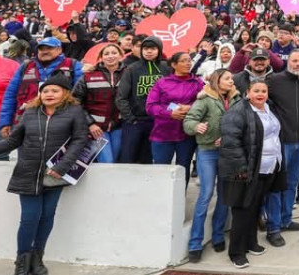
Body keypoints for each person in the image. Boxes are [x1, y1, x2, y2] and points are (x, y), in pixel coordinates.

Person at [0, 74, 88, 275]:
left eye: (54, 91)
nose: (49, 94)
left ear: (65, 93)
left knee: (47, 217)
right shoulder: (30, 113)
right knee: (29, 219)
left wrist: (61, 167)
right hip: (27, 173)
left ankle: (37, 259)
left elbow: (80, 140)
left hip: (55, 175)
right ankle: (21, 264)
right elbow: (11, 142)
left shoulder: (75, 113)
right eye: (45, 91)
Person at [219, 79, 286, 269]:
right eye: (256, 90)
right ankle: (236, 252)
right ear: (247, 92)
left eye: (264, 90)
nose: (260, 94)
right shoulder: (238, 111)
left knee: (255, 207)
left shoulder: (268, 109)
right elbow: (231, 142)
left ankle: (250, 243)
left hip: (267, 167)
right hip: (246, 170)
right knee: (242, 210)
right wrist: (241, 168)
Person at [183, 69, 239, 262]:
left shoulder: (236, 99)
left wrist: (228, 138)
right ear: (217, 81)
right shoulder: (205, 98)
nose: (231, 81)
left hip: (227, 153)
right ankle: (195, 243)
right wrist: (196, 127)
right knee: (206, 194)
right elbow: (189, 120)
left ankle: (217, 235)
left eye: (231, 78)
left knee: (224, 195)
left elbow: (241, 124)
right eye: (227, 78)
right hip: (207, 152)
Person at [262, 49, 299, 246]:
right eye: (295, 60)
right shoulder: (274, 80)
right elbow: (258, 96)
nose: (298, 64)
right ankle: (273, 227)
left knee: (292, 183)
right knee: (276, 186)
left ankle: (286, 219)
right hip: (281, 142)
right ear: (288, 62)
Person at [0, 36, 84, 136]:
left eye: (49, 48)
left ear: (59, 49)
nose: (45, 51)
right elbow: (10, 95)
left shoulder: (73, 65)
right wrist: (5, 122)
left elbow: (81, 96)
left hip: (62, 123)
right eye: (41, 49)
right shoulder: (26, 66)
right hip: (27, 123)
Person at [146, 51, 204, 177]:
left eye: (189, 60)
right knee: (161, 171)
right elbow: (150, 106)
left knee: (183, 169)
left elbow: (206, 103)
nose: (188, 63)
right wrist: (169, 113)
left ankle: (180, 196)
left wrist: (190, 108)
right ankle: (161, 196)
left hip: (186, 134)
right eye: (183, 61)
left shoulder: (198, 83)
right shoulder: (162, 83)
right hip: (163, 133)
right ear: (174, 64)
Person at [115, 36, 169, 164]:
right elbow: (121, 97)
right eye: (145, 48)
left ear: (159, 50)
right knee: (128, 158)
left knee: (149, 159)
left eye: (153, 48)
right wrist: (131, 119)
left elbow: (173, 93)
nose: (149, 51)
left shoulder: (166, 68)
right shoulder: (132, 69)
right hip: (135, 122)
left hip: (158, 122)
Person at [71, 43, 125, 163]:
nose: (110, 56)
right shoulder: (89, 75)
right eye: (106, 53)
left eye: (114, 53)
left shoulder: (128, 74)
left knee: (117, 161)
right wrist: (90, 124)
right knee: (107, 162)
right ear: (101, 57)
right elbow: (75, 102)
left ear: (121, 55)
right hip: (97, 128)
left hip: (119, 126)